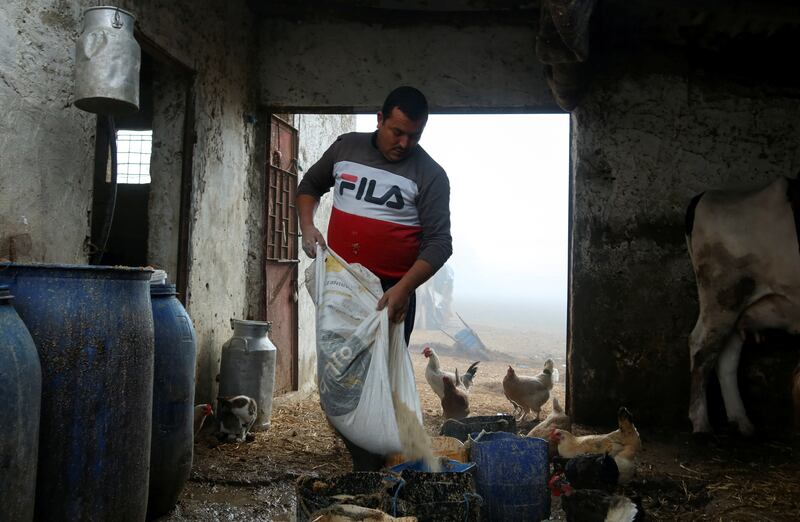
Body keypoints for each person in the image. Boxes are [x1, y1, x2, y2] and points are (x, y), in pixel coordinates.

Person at [295, 86, 452, 470]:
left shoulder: (430, 174)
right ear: (378, 119)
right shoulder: (346, 148)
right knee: (340, 376)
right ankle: (362, 456)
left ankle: (374, 465)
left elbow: (439, 243)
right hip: (343, 287)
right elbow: (309, 186)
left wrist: (403, 289)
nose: (404, 142)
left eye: (414, 134)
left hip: (390, 296)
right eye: (397, 131)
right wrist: (307, 227)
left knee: (379, 383)